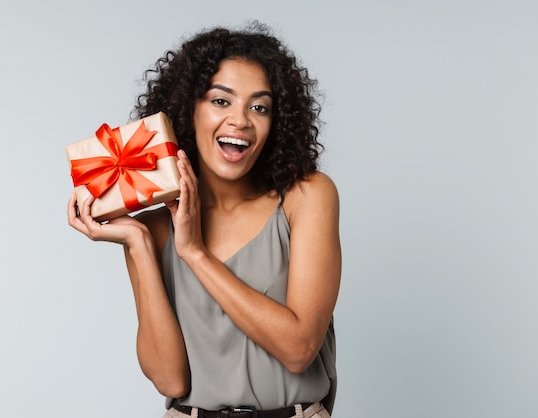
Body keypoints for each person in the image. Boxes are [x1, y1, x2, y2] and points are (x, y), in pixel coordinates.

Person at [68, 22, 341, 418]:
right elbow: (170, 381)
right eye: (220, 101)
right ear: (187, 110)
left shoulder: (307, 197)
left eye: (259, 107)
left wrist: (195, 252)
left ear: (276, 124)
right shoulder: (154, 229)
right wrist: (138, 244)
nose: (240, 121)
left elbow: (298, 349)